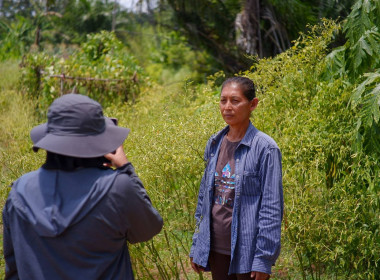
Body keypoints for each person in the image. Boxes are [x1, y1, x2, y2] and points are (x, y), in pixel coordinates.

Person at [2, 93, 163, 280]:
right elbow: (147, 229)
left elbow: (13, 267)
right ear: (99, 145)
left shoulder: (19, 192)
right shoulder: (117, 188)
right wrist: (126, 169)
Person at [189, 77, 283, 280]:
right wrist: (198, 244)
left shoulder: (265, 148)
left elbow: (271, 207)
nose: (227, 107)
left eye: (235, 100)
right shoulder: (214, 143)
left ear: (253, 104)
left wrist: (263, 258)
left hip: (248, 251)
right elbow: (204, 200)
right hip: (216, 248)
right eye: (223, 101)